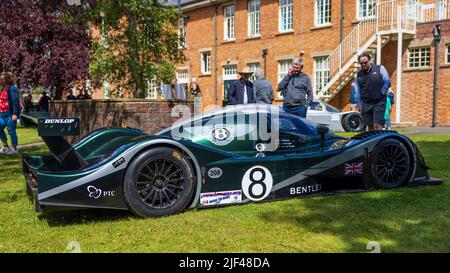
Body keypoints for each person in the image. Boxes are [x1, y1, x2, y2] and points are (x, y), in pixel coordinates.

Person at [354, 52, 391, 131]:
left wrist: (381, 93)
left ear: (370, 61)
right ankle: (372, 143)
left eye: (365, 62)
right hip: (366, 103)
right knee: (370, 126)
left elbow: (387, 82)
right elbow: (357, 91)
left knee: (377, 125)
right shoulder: (359, 75)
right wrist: (359, 104)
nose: (363, 64)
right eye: (361, 63)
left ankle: (380, 142)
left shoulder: (380, 68)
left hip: (379, 102)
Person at [0, 72, 21, 155]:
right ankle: (5, 146)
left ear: (7, 79)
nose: (0, 80)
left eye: (2, 79)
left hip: (10, 114)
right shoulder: (3, 88)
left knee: (11, 131)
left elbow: (15, 102)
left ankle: (15, 149)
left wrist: (15, 114)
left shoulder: (12, 88)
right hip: (2, 114)